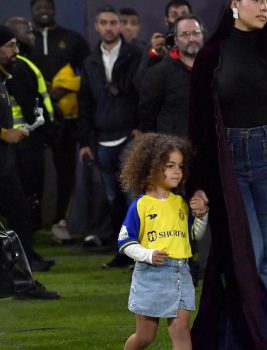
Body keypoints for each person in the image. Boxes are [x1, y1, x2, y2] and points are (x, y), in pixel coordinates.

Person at [187, 0, 267, 349]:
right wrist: (195, 185)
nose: (264, 7)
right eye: (255, 0)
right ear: (234, 5)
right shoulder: (211, 56)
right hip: (229, 165)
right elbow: (197, 125)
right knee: (249, 258)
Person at [117, 133, 207, 350]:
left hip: (182, 272)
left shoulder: (182, 203)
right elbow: (124, 242)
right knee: (145, 336)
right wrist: (148, 255)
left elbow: (194, 235)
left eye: (180, 166)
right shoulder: (141, 205)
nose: (177, 171)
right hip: (152, 275)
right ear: (151, 168)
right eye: (169, 166)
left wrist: (202, 216)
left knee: (181, 330)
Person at [78, 5, 143, 266]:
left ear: (120, 25)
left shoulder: (136, 55)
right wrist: (85, 142)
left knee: (132, 198)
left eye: (113, 22)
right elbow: (85, 104)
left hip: (130, 135)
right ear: (96, 26)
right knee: (112, 198)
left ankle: (138, 253)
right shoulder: (89, 61)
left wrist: (141, 128)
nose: (108, 27)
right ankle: (124, 252)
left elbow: (144, 94)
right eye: (103, 22)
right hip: (102, 138)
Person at [0, 25, 59, 299]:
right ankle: (19, 284)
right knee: (18, 219)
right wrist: (4, 133)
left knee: (20, 218)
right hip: (5, 159)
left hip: (6, 162)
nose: (16, 50)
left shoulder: (4, 78)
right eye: (11, 45)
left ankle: (20, 283)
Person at [29, 0, 91, 243]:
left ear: (54, 9)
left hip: (66, 118)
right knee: (31, 170)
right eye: (38, 6)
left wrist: (65, 88)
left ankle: (60, 221)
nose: (44, 10)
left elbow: (87, 73)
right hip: (31, 117)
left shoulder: (72, 39)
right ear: (31, 10)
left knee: (66, 170)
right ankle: (30, 223)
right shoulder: (22, 38)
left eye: (48, 5)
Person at [5, 18, 56, 243]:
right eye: (11, 44)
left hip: (16, 146)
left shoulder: (17, 67)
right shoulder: (18, 67)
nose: (16, 50)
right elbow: (29, 104)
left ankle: (25, 260)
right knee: (23, 206)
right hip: (20, 145)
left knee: (23, 208)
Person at [138, 14, 204, 137]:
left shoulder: (215, 68)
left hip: (210, 146)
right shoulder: (159, 73)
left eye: (196, 32)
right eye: (185, 34)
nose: (192, 38)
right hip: (175, 148)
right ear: (175, 40)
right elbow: (148, 115)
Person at [146, 0, 192, 66]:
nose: (179, 19)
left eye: (184, 15)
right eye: (174, 15)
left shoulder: (200, 43)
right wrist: (155, 53)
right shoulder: (159, 45)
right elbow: (143, 74)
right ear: (166, 21)